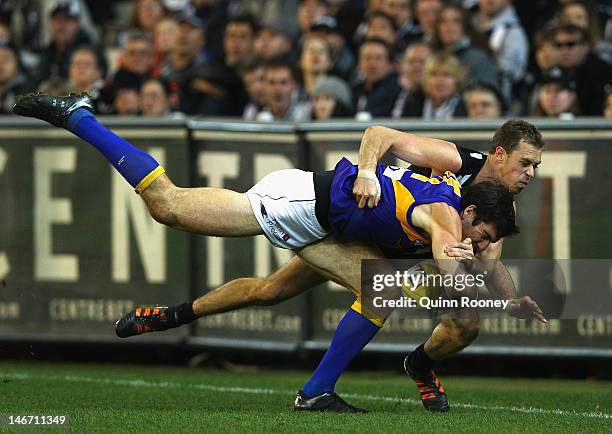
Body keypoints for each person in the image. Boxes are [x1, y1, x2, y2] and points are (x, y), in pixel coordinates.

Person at [110, 118, 546, 413]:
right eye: (525, 162)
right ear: (499, 154)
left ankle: (419, 365)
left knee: (466, 322)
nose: (530, 174)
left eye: (536, 167)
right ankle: (175, 317)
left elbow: (485, 266)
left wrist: (509, 300)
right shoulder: (457, 164)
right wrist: (369, 172)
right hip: (352, 222)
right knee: (271, 290)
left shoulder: (496, 213)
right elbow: (380, 133)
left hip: (382, 245)